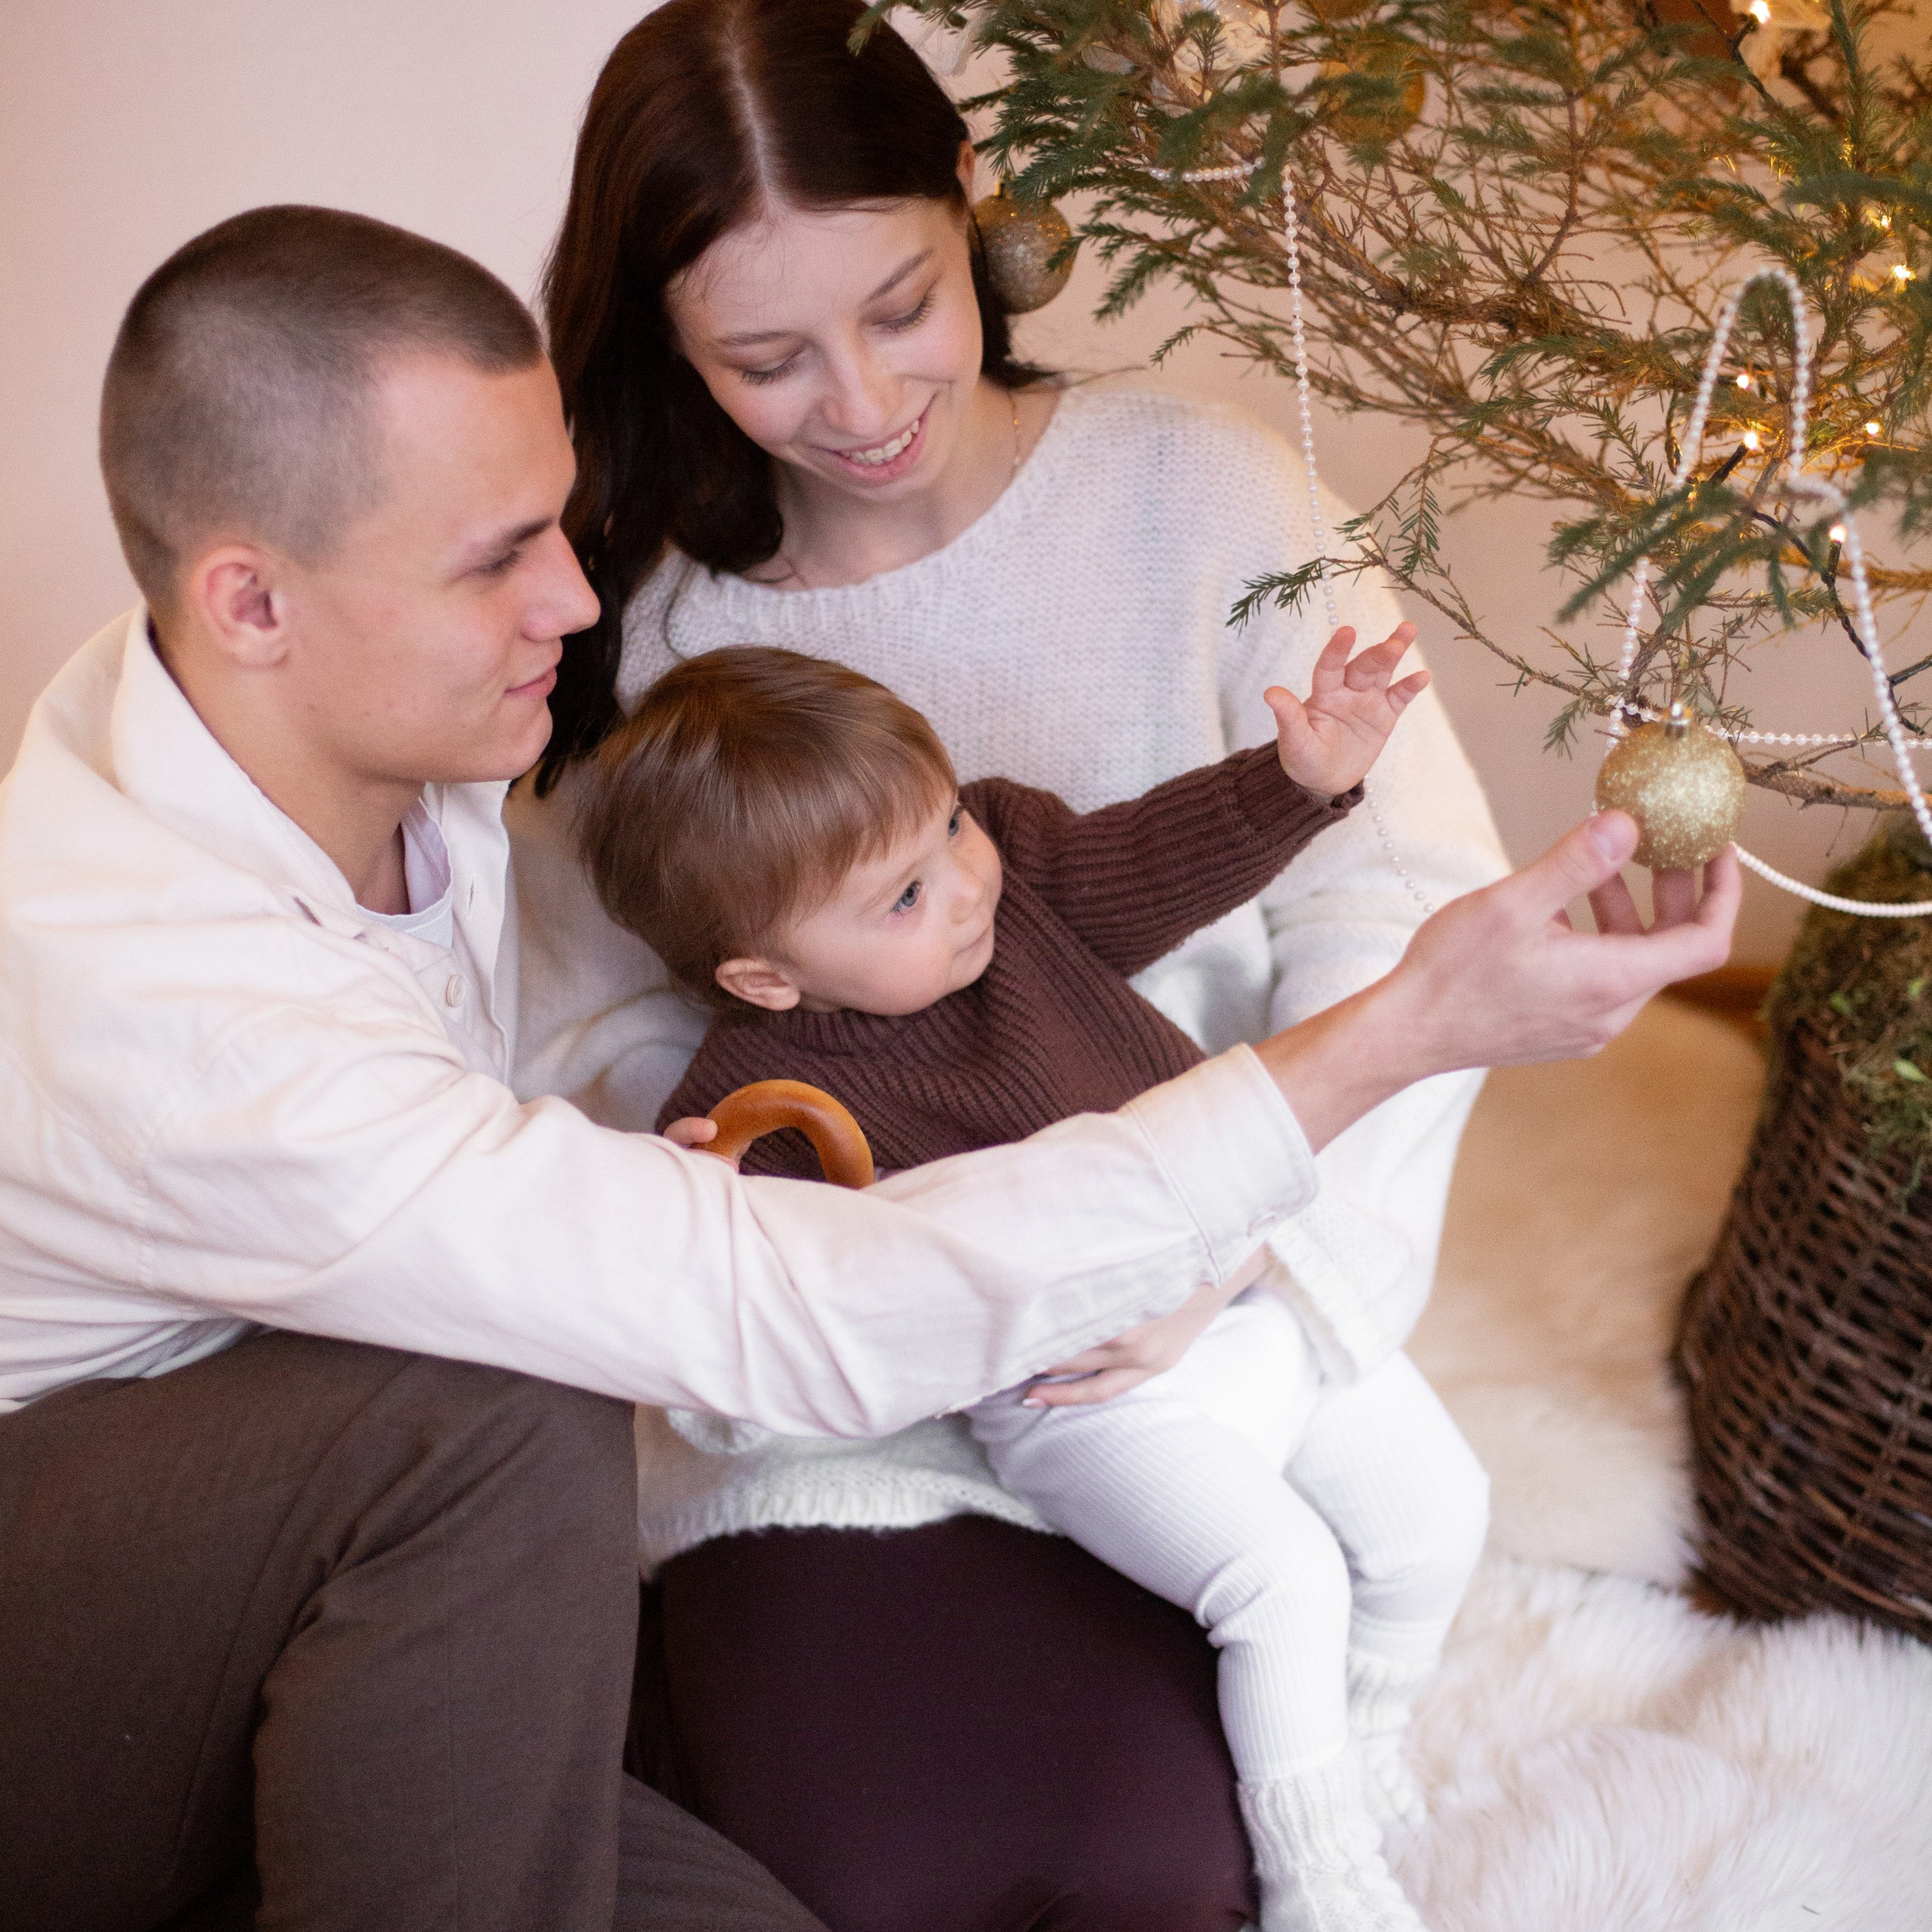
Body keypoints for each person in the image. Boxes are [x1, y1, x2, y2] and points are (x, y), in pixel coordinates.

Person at [0, 205, 1736, 1931]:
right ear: (251, 600)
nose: (576, 594)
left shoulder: (320, 705)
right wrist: (1402, 1029)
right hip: (83, 1630)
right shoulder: (182, 1015)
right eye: (495, 555)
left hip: (339, 1589)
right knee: (499, 1402)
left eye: (556, 522)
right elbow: (774, 1316)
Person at [508, 0, 1509, 1921]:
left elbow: (1390, 915)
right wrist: (919, 1272)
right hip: (856, 1363)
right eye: (764, 357)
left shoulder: (1200, 493)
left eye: (900, 302)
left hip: (1208, 1305)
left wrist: (1239, 1253)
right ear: (666, 343)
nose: (862, 398)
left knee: (1144, 1862)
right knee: (863, 1869)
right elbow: (599, 1041)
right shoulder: (637, 633)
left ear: (970, 202)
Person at [580, 641, 1488, 1932]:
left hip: (1238, 1284)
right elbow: (764, 1359)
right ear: (766, 977)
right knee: (1284, 1582)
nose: (960, 886)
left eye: (948, 821)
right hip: (1077, 1391)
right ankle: (1319, 1869)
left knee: (1440, 1512)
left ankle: (1369, 1731)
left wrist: (1295, 780)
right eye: (899, 897)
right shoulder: (759, 1116)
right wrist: (691, 1232)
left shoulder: (1017, 889)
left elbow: (1162, 854)